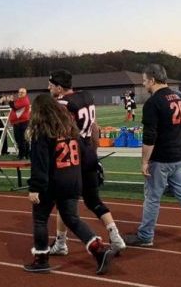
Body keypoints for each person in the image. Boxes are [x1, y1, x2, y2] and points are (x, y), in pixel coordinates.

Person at [123, 64, 181, 250]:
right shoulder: (178, 96)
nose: (143, 84)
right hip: (179, 153)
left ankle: (146, 235)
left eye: (144, 80)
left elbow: (150, 136)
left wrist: (144, 161)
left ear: (152, 80)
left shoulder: (153, 102)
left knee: (152, 197)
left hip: (163, 156)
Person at [23, 93, 115, 275]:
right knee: (72, 219)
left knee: (40, 219)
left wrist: (35, 188)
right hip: (73, 180)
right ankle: (99, 250)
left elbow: (40, 164)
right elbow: (85, 153)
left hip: (52, 182)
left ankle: (41, 258)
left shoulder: (41, 132)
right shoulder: (70, 128)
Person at [47, 70, 125, 256]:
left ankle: (61, 243)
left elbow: (57, 135)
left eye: (51, 85)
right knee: (93, 200)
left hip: (72, 157)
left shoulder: (61, 104)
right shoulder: (86, 96)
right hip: (89, 153)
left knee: (64, 203)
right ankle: (116, 236)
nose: (48, 88)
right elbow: (95, 127)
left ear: (59, 87)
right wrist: (94, 152)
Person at [9, 88, 31, 160]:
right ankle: (25, 154)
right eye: (19, 92)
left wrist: (10, 101)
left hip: (23, 122)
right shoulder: (19, 100)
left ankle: (23, 154)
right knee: (18, 139)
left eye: (22, 92)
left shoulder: (25, 100)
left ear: (25, 93)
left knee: (23, 139)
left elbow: (14, 107)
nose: (20, 93)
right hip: (17, 122)